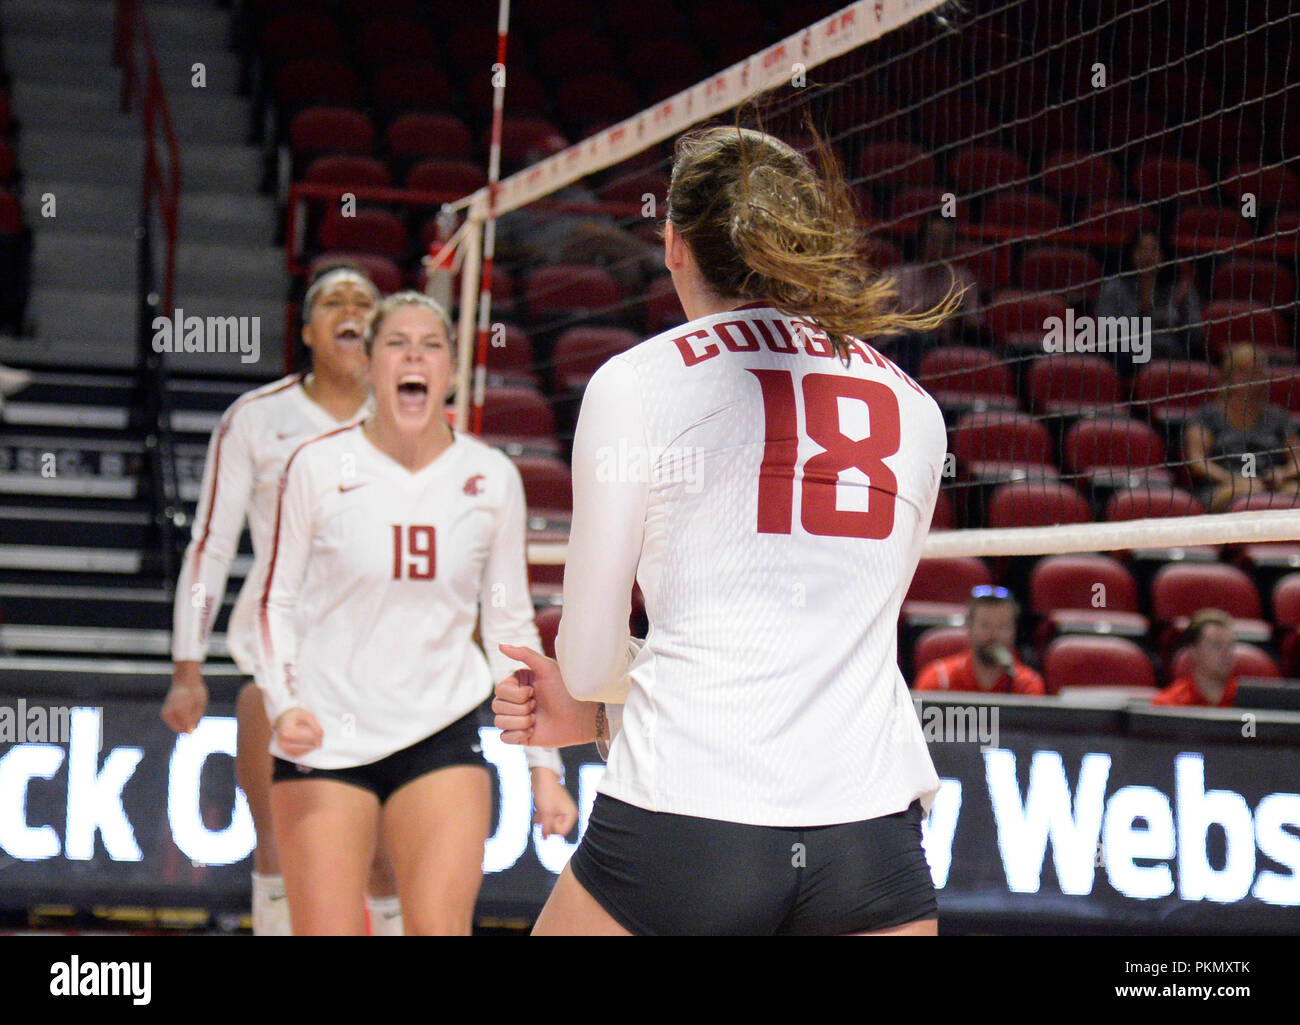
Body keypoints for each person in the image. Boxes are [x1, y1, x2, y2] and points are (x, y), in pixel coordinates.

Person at [492, 124, 959, 935]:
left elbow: (590, 655)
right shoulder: (918, 409)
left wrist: (601, 708)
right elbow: (834, 635)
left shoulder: (635, 383)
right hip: (871, 842)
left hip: (687, 824)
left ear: (673, 243)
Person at [257, 291, 575, 935]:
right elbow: (274, 602)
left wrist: (544, 768)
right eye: (397, 343)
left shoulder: (490, 477)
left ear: (451, 371)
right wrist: (282, 702)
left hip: (440, 729)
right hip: (325, 735)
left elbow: (510, 629)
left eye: (430, 345)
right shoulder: (317, 465)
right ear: (372, 365)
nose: (414, 356)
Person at [162, 263, 407, 935]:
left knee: (384, 853)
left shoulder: (409, 414)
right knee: (280, 845)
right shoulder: (256, 417)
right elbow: (210, 546)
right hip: (281, 664)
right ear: (307, 329)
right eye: (334, 300)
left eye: (364, 300)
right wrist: (188, 668)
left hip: (384, 662)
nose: (351, 308)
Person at [1184, 343, 1300, 512]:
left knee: (1293, 491)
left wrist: (1283, 473)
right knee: (1238, 493)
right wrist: (1232, 479)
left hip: (1271, 484)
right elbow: (1197, 461)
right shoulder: (1207, 416)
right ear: (1228, 375)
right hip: (1223, 485)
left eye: (1256, 371)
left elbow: (1297, 459)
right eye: (1243, 371)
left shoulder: (1278, 417)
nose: (1251, 378)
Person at [882, 215, 980, 377]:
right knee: (913, 342)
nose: (939, 246)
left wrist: (959, 316)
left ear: (953, 246)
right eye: (934, 239)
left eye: (946, 241)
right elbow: (879, 323)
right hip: (898, 344)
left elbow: (974, 325)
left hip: (942, 346)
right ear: (921, 242)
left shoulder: (962, 281)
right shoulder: (894, 276)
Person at [1095, 228, 1202, 364]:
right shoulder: (1113, 287)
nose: (1148, 256)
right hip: (1127, 357)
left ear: (1164, 255)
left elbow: (1196, 336)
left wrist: (1183, 309)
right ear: (1131, 254)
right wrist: (1140, 312)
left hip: (1169, 355)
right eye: (1141, 250)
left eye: (1154, 250)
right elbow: (1107, 332)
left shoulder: (1179, 289)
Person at [913, 586, 1046, 695]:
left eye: (1003, 626)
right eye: (985, 625)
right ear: (969, 628)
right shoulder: (939, 680)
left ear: (1014, 631)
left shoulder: (1027, 685)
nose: (994, 635)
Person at [1152, 608, 1239, 707]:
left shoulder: (1250, 700)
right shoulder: (1169, 704)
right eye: (1216, 645)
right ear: (1193, 651)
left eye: (1231, 646)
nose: (1226, 653)